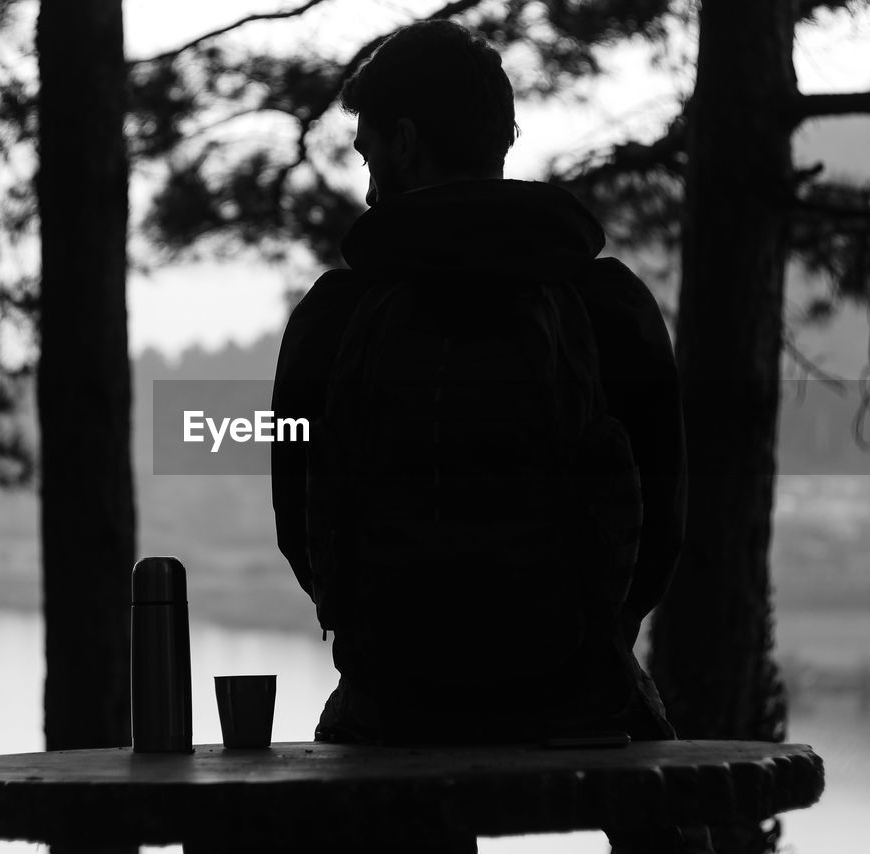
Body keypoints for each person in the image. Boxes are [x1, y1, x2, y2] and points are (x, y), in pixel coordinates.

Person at [271, 21, 703, 851]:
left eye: (367, 160)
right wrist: (589, 647)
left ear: (403, 144)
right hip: (582, 690)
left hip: (391, 700)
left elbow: (302, 527)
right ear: (500, 140)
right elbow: (665, 521)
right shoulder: (608, 305)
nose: (366, 192)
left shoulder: (335, 317)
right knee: (672, 820)